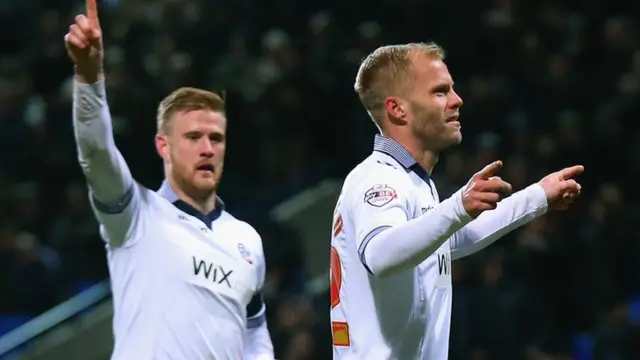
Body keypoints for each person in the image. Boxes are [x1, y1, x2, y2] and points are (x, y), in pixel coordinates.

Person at [329, 42, 584, 360]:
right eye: (439, 92)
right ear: (398, 109)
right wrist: (457, 207)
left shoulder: (412, 181)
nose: (456, 100)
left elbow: (450, 237)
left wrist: (538, 195)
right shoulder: (378, 181)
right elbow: (381, 255)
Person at [64, 1, 275, 359]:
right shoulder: (136, 217)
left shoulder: (246, 240)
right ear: (164, 146)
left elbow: (255, 327)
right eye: (193, 138)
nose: (207, 149)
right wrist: (89, 78)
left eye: (216, 138)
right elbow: (96, 153)